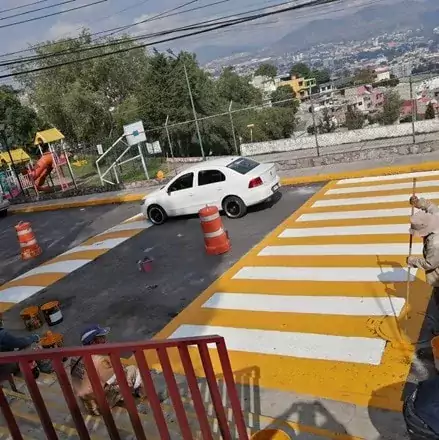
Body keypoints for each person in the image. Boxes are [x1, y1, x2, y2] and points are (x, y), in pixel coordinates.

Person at [69, 324, 146, 416]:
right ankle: (144, 397)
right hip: (98, 407)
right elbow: (120, 378)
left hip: (85, 401)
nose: (105, 340)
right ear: (93, 342)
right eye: (101, 338)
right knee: (133, 371)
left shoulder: (75, 356)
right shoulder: (100, 361)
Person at [407, 210, 439, 288]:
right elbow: (430, 207)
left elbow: (430, 264)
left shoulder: (434, 243)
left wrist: (412, 261)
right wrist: (418, 203)